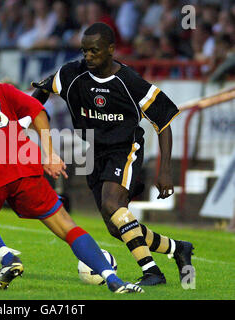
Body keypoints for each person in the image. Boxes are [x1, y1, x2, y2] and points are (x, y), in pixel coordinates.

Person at [0, 50, 143, 293]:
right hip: (22, 167)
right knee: (64, 224)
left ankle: (7, 259)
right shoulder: (0, 89)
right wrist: (49, 154)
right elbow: (37, 110)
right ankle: (112, 278)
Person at [31, 22, 195, 286]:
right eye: (84, 51)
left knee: (112, 205)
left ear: (110, 49)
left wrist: (165, 171)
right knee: (114, 225)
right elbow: (41, 92)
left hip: (126, 148)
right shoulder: (72, 74)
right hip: (94, 150)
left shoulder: (130, 82)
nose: (88, 56)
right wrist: (26, 113)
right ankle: (178, 249)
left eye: (94, 51)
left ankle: (153, 272)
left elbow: (163, 122)